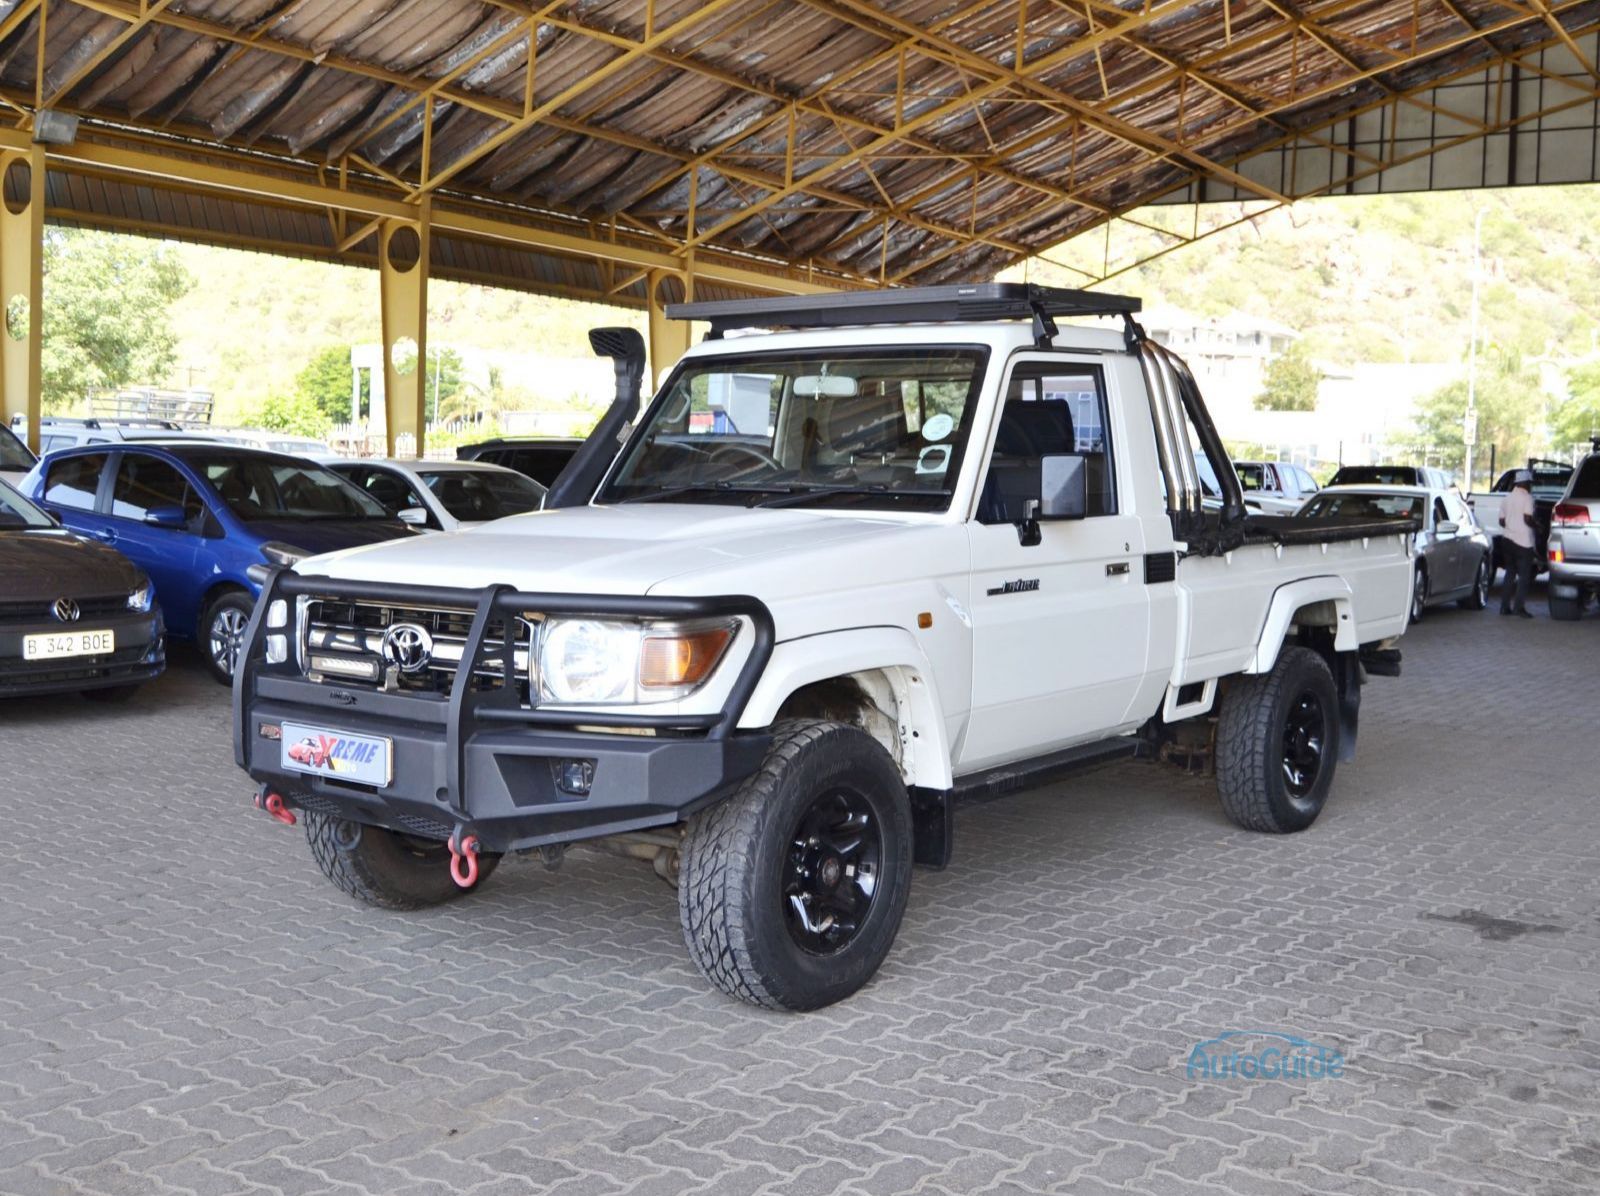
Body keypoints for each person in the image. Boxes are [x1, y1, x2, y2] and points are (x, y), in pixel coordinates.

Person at [1499, 469, 1537, 618]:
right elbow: (1527, 519)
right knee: (1524, 576)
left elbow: (1501, 521)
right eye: (1529, 483)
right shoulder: (1527, 498)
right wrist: (1538, 526)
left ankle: (1504, 607)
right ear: (1525, 483)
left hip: (1507, 539)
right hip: (1523, 542)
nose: (1530, 486)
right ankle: (1519, 608)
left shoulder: (1506, 499)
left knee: (1509, 573)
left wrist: (1511, 526)